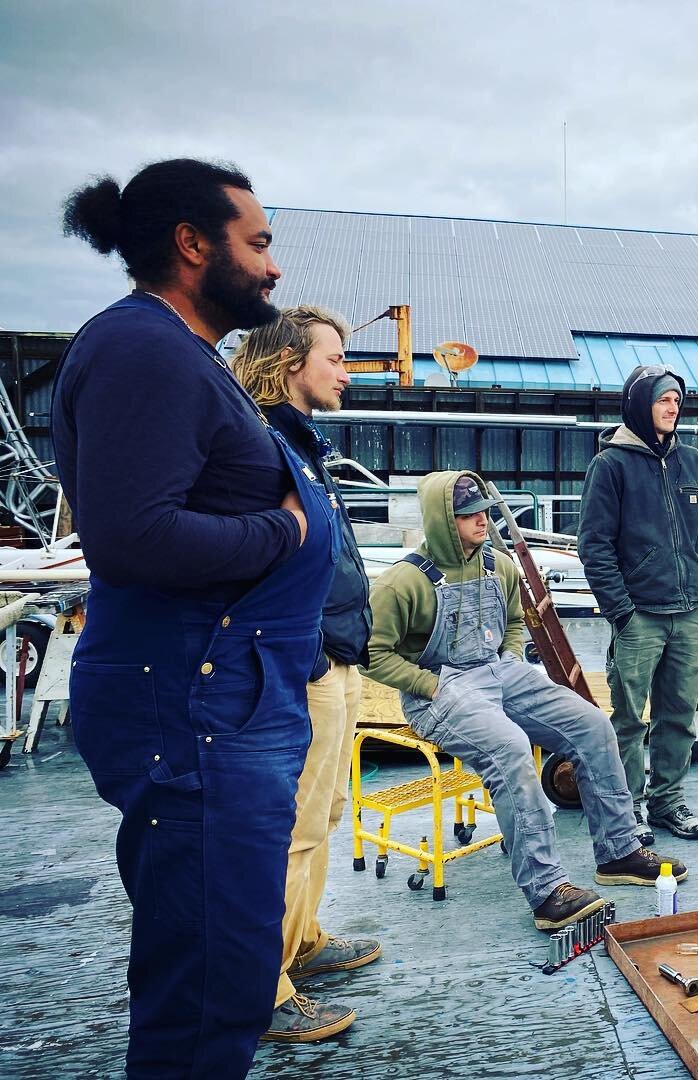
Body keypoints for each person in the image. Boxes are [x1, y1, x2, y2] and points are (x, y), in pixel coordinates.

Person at [53, 159, 337, 1077]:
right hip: (194, 711)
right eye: (257, 244)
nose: (273, 268)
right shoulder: (145, 350)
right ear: (191, 244)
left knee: (224, 964)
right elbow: (133, 536)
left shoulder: (177, 353)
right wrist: (282, 532)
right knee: (209, 984)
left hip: (225, 703)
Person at [363, 470, 687, 930]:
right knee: (510, 750)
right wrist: (429, 685)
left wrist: (510, 657)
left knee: (593, 726)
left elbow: (515, 620)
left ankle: (619, 852)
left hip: (500, 671)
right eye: (468, 514)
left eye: (483, 511)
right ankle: (547, 889)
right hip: (439, 689)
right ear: (442, 520)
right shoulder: (403, 583)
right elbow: (370, 653)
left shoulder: (500, 565)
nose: (481, 520)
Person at [230, 307, 379, 1043]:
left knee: (324, 817)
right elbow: (260, 559)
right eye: (336, 359)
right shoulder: (259, 447)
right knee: (291, 827)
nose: (346, 372)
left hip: (339, 654)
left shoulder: (303, 444)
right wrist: (313, 651)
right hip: (309, 660)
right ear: (291, 361)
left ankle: (305, 940)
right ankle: (264, 984)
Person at [577, 365, 698, 844]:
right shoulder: (611, 466)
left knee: (679, 715)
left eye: (677, 401)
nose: (673, 408)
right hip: (639, 616)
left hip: (688, 614)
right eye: (663, 400)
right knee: (626, 720)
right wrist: (621, 610)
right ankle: (630, 807)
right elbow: (594, 544)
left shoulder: (695, 464)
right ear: (641, 404)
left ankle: (667, 802)